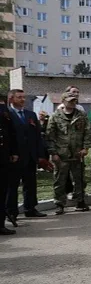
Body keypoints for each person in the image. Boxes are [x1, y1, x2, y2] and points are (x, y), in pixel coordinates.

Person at [6, 89, 48, 224]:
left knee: (30, 184)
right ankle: (11, 211)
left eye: (24, 97)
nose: (23, 100)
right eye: (19, 97)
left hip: (30, 156)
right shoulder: (7, 114)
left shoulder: (31, 115)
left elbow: (37, 136)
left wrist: (40, 155)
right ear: (11, 99)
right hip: (15, 156)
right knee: (12, 185)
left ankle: (30, 208)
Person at [46, 93, 91, 215]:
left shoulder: (81, 115)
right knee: (59, 180)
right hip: (61, 154)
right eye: (70, 100)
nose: (73, 103)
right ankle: (59, 204)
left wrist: (86, 148)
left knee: (79, 179)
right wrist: (53, 153)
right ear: (63, 101)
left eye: (74, 101)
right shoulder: (55, 116)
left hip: (77, 153)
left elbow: (87, 132)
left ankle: (80, 201)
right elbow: (50, 136)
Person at [1, 101, 19, 234]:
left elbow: (11, 133)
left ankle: (0, 224)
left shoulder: (3, 109)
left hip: (3, 157)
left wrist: (14, 152)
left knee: (2, 191)